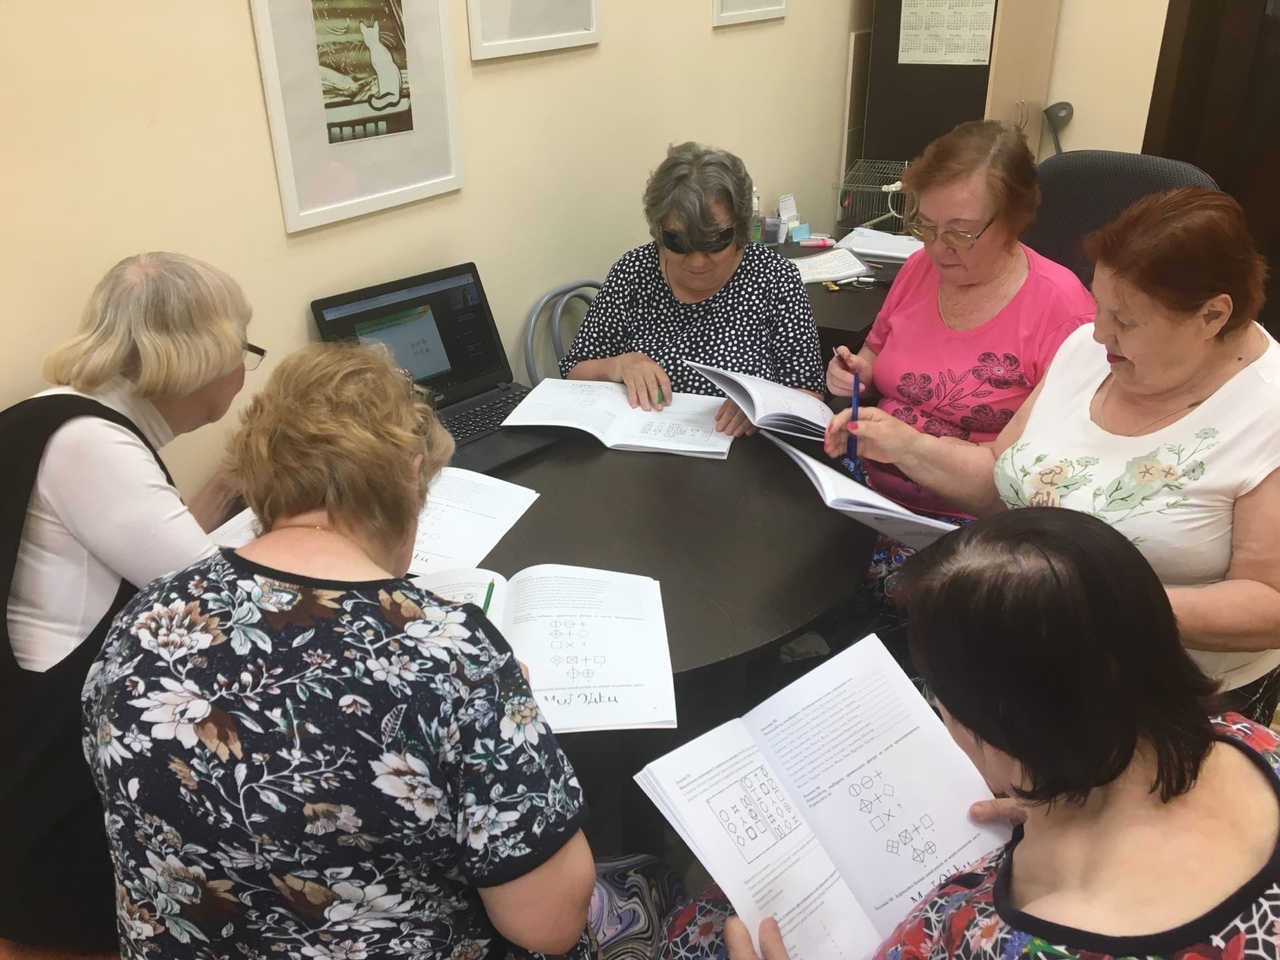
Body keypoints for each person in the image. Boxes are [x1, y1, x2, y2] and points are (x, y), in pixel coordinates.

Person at [81, 344, 681, 960]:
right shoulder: (454, 659)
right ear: (411, 473)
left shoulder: (145, 616)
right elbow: (549, 927)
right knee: (651, 889)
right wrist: (515, 720)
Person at [674, 509, 1280, 960]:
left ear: (1006, 732)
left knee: (702, 922)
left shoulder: (1004, 940)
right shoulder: (1246, 739)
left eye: (943, 699)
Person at [824, 187, 1280, 722]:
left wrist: (1082, 602)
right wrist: (907, 446)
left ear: (1212, 315)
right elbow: (1001, 480)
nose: (1100, 331)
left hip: (1159, 693)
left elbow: (1268, 603)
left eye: (1126, 321)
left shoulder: (1266, 411)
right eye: (1100, 305)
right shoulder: (1087, 349)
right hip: (1026, 644)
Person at [0, 252, 257, 959]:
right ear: (207, 359)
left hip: (28, 745)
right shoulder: (96, 449)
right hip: (64, 796)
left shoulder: (54, 415)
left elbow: (144, 556)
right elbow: (228, 611)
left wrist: (228, 486)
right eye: (245, 349)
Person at [559, 141, 824, 437]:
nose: (697, 261)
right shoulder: (633, 271)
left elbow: (810, 394)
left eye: (714, 243)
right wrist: (619, 365)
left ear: (739, 229)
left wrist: (762, 405)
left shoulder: (775, 278)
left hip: (743, 453)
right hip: (640, 450)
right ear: (659, 229)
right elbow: (574, 370)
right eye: (678, 242)